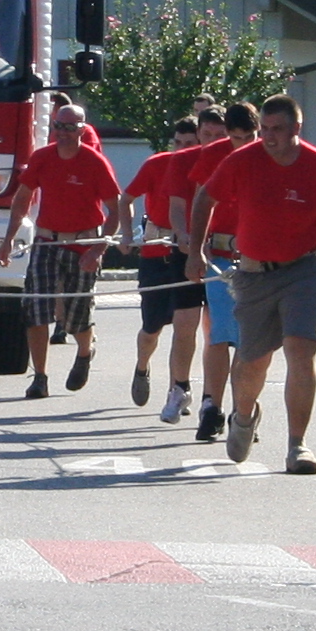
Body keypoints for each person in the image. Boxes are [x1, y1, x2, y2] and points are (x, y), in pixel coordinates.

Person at [197, 93, 316, 471]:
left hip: (305, 267)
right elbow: (205, 198)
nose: (268, 136)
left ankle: (298, 445)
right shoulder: (242, 161)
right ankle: (243, 415)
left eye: (277, 129)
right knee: (253, 361)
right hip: (254, 274)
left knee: (301, 348)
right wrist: (194, 252)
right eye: (264, 129)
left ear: (297, 127)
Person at [0, 96, 122, 397]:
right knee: (37, 310)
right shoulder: (42, 157)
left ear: (82, 129)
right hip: (47, 242)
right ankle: (40, 377)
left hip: (83, 244)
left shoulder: (95, 162)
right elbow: (23, 198)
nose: (62, 132)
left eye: (69, 127)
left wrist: (98, 250)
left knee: (76, 317)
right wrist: (9, 238)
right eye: (58, 126)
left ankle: (85, 352)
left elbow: (116, 211)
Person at [183, 101, 261, 442]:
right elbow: (201, 202)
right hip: (221, 256)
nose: (241, 144)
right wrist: (196, 250)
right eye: (235, 137)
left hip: (258, 259)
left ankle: (242, 410)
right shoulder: (214, 155)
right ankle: (211, 408)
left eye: (248, 137)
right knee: (218, 335)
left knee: (250, 342)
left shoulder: (270, 154)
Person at [123, 113, 206, 415]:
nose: (182, 149)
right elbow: (125, 198)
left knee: (184, 326)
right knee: (152, 327)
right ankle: (142, 366)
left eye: (190, 143)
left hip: (187, 254)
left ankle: (177, 389)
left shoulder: (204, 168)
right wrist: (125, 234)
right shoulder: (156, 164)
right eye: (178, 142)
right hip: (155, 254)